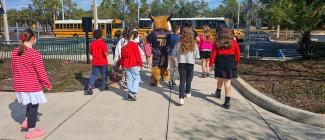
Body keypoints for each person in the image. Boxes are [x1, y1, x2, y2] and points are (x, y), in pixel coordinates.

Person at [10, 29, 52, 139]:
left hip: (20, 84)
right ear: (33, 39)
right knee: (34, 107)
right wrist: (47, 84)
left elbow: (12, 68)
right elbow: (41, 72)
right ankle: (31, 130)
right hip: (32, 85)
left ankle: (27, 121)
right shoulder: (35, 54)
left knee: (30, 103)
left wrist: (17, 80)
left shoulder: (14, 52)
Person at [209, 26, 240, 109]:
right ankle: (227, 102)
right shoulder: (233, 42)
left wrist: (211, 63)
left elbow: (213, 53)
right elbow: (237, 52)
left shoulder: (217, 42)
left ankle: (218, 93)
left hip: (220, 61)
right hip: (230, 61)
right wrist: (237, 62)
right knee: (228, 83)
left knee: (220, 78)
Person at [172, 27, 200, 105]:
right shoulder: (194, 44)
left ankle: (181, 98)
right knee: (189, 78)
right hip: (191, 63)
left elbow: (174, 54)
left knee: (182, 80)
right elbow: (197, 56)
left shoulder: (178, 43)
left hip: (181, 63)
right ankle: (188, 91)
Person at [147, 15, 172, 86]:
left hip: (156, 52)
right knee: (164, 65)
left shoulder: (154, 33)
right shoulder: (169, 33)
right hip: (165, 52)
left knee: (156, 65)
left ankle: (155, 80)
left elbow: (148, 40)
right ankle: (165, 77)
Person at [120, 28, 144, 101]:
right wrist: (141, 64)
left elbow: (122, 57)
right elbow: (138, 56)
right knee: (136, 78)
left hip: (126, 65)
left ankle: (130, 94)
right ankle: (133, 90)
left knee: (129, 79)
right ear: (132, 35)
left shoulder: (124, 46)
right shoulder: (134, 45)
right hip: (133, 64)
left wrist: (122, 65)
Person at [85, 29, 109, 95]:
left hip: (95, 62)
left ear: (94, 36)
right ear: (101, 36)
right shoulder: (103, 44)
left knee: (94, 75)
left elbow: (91, 53)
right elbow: (105, 54)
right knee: (104, 74)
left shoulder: (92, 44)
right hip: (103, 62)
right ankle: (103, 87)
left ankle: (89, 87)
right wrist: (108, 52)